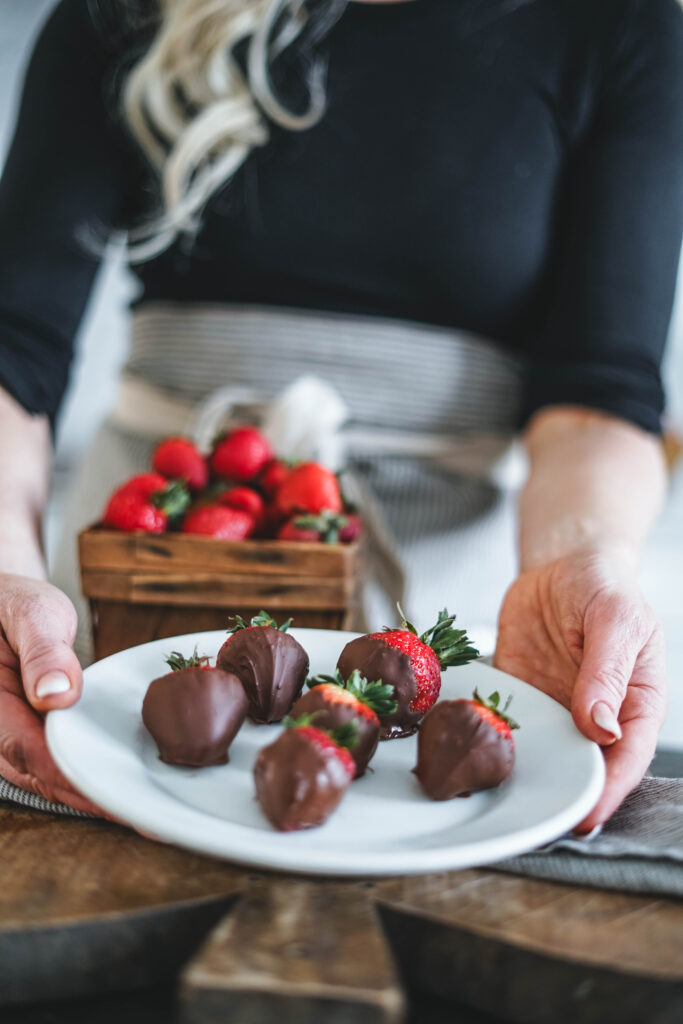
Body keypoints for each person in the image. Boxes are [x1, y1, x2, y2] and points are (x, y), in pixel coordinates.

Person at [0, 0, 682, 827]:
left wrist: (585, 562)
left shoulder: (622, 25)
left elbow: (599, 393)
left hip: (446, 614)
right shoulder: (120, 11)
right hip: (127, 607)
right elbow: (14, 355)